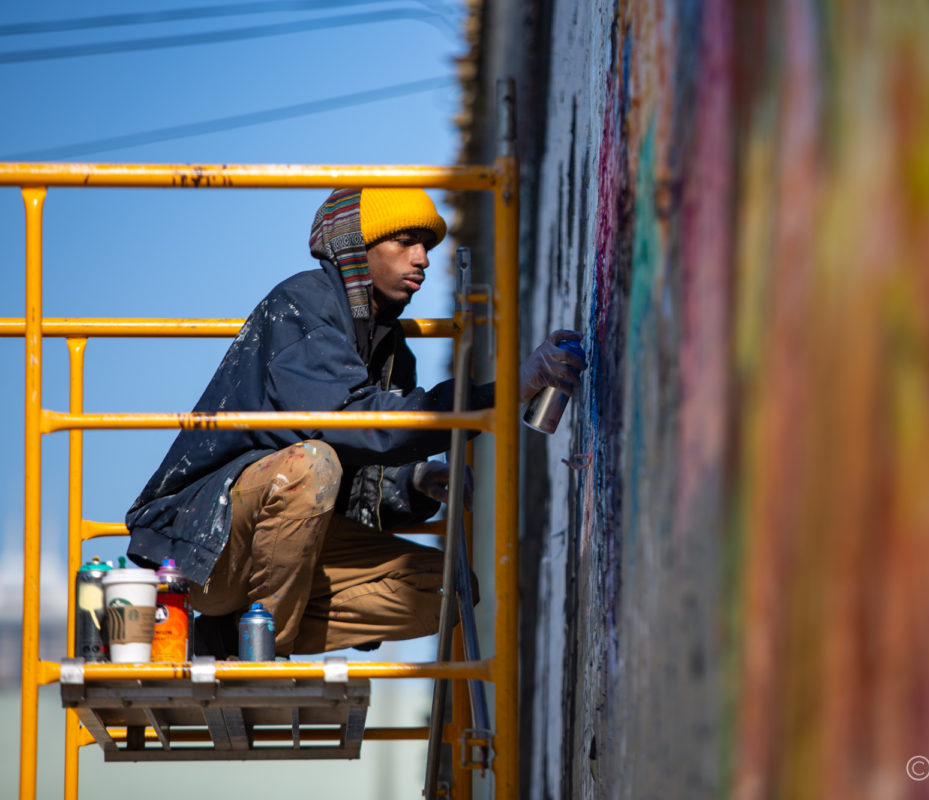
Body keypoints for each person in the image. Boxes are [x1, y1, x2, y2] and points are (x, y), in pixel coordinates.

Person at [125, 187, 585, 657]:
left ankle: (221, 640)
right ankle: (258, 658)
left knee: (444, 591)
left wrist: (415, 481)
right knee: (310, 465)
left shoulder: (389, 349)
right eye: (404, 241)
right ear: (355, 250)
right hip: (208, 540)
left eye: (426, 245)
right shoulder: (303, 304)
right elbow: (349, 424)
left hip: (290, 545)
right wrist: (508, 390)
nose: (422, 258)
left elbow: (362, 461)